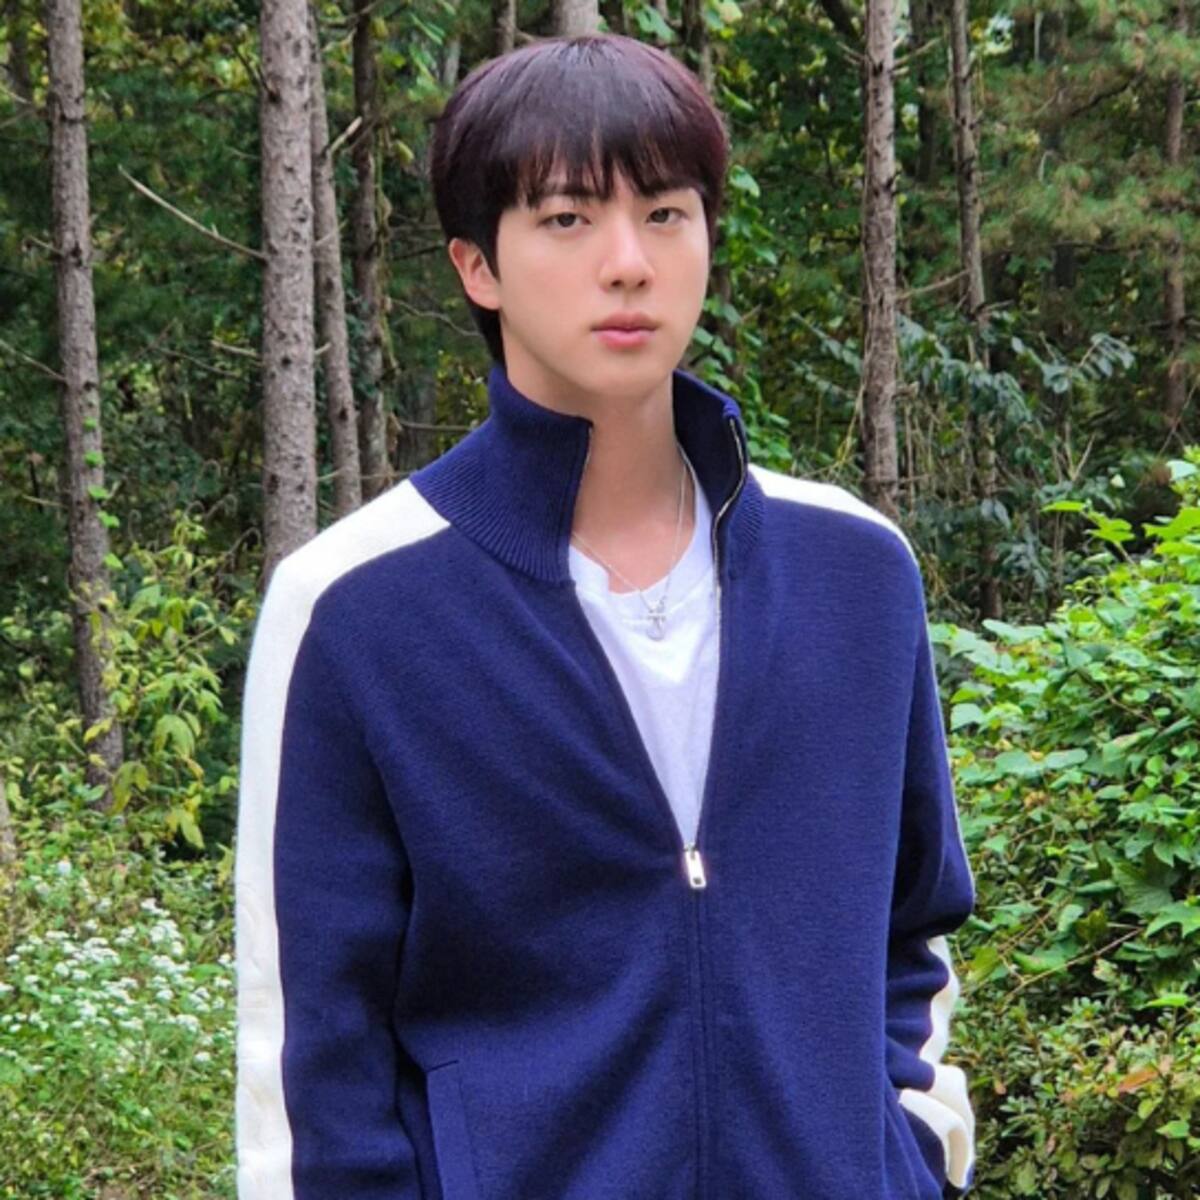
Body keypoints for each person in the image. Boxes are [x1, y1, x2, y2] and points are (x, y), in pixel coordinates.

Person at [234, 31, 977, 1200]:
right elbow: (312, 1052)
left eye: (666, 214)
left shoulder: (856, 571)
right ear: (478, 266)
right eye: (568, 218)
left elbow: (910, 930)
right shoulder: (355, 608)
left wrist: (915, 1152)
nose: (628, 263)